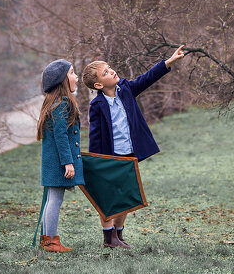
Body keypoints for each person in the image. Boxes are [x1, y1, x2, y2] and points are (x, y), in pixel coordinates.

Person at [81, 46, 185, 249]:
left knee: (127, 198)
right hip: (110, 159)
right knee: (108, 198)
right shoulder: (97, 106)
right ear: (98, 84)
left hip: (129, 155)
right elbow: (95, 136)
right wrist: (96, 162)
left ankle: (118, 236)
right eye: (106, 72)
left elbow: (147, 78)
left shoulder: (126, 89)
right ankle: (108, 238)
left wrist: (169, 62)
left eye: (110, 68)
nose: (111, 71)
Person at [35, 59, 84, 252]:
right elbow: (61, 136)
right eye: (72, 73)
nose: (76, 77)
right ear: (62, 80)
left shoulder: (54, 103)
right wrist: (68, 163)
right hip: (58, 162)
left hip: (52, 161)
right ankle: (51, 242)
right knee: (55, 199)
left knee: (51, 199)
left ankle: (48, 239)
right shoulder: (62, 104)